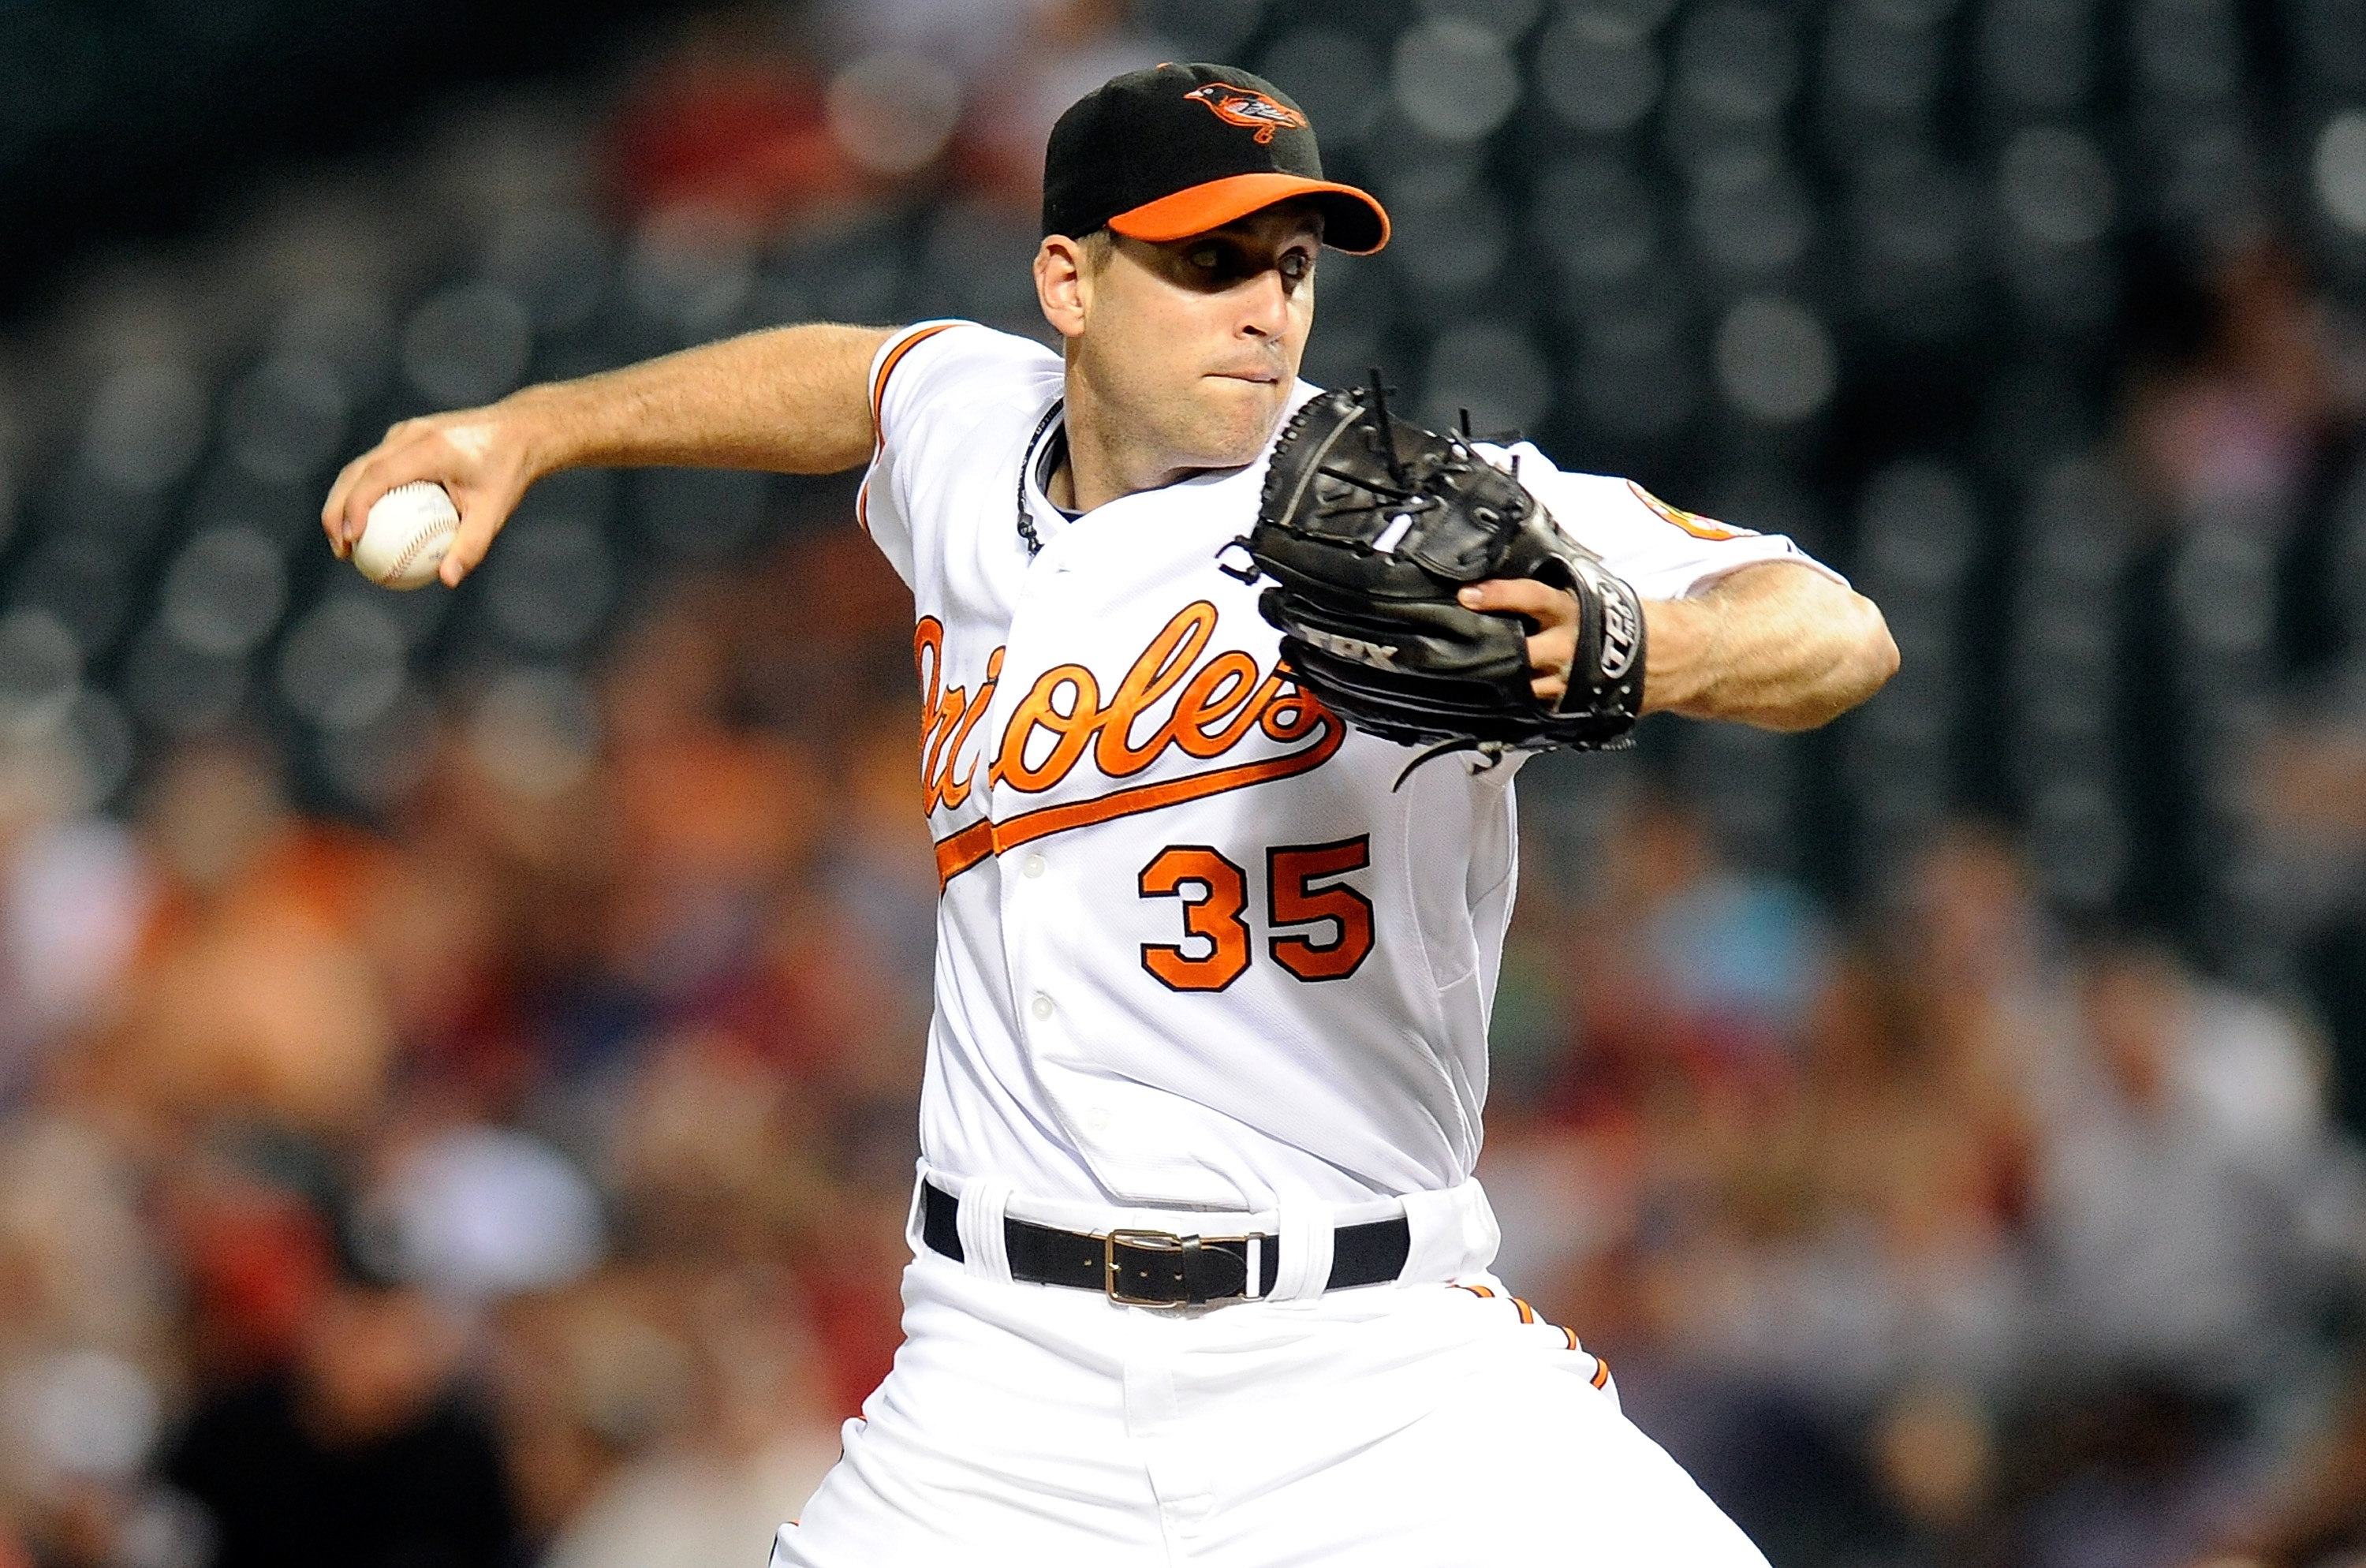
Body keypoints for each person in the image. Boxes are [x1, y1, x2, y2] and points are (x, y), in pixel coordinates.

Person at [324, 62, 1896, 1566]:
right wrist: (537, 426)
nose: (1267, 306)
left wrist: (1651, 643)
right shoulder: (975, 429)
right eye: (1209, 260)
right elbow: (854, 384)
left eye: (1291, 264)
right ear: (1069, 284)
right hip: (1002, 1378)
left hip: (1365, 1361)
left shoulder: (1413, 518)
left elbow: (1838, 629)